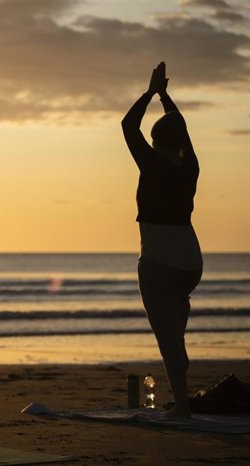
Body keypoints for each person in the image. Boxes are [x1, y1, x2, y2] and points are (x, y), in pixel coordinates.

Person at [121, 62, 203, 419]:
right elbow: (180, 129)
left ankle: (182, 405)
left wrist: (151, 91)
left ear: (156, 142)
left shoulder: (152, 164)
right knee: (175, 330)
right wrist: (165, 97)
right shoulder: (190, 167)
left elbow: (127, 126)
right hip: (191, 262)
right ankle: (180, 384)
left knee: (167, 338)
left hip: (159, 260)